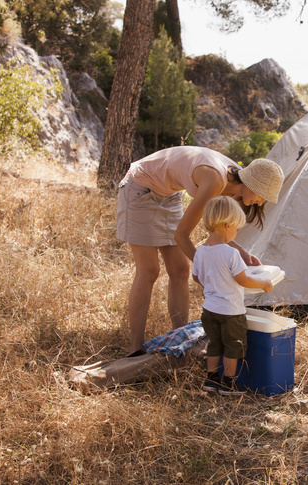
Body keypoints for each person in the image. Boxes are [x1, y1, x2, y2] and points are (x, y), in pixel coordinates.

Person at [116, 146, 284, 355]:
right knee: (149, 270)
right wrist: (208, 269)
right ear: (252, 183)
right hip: (141, 187)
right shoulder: (216, 180)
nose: (261, 202)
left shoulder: (233, 187)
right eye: (263, 195)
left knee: (180, 270)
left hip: (169, 195)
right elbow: (182, 235)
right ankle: (135, 348)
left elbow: (217, 231)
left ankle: (180, 339)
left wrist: (240, 251)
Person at [191, 196, 274, 395]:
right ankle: (228, 384)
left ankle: (211, 380)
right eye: (236, 228)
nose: (235, 233)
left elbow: (196, 276)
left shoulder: (201, 251)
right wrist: (264, 283)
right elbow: (243, 280)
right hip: (231, 312)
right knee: (232, 347)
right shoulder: (230, 254)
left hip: (209, 310)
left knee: (214, 344)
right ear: (227, 225)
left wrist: (213, 284)